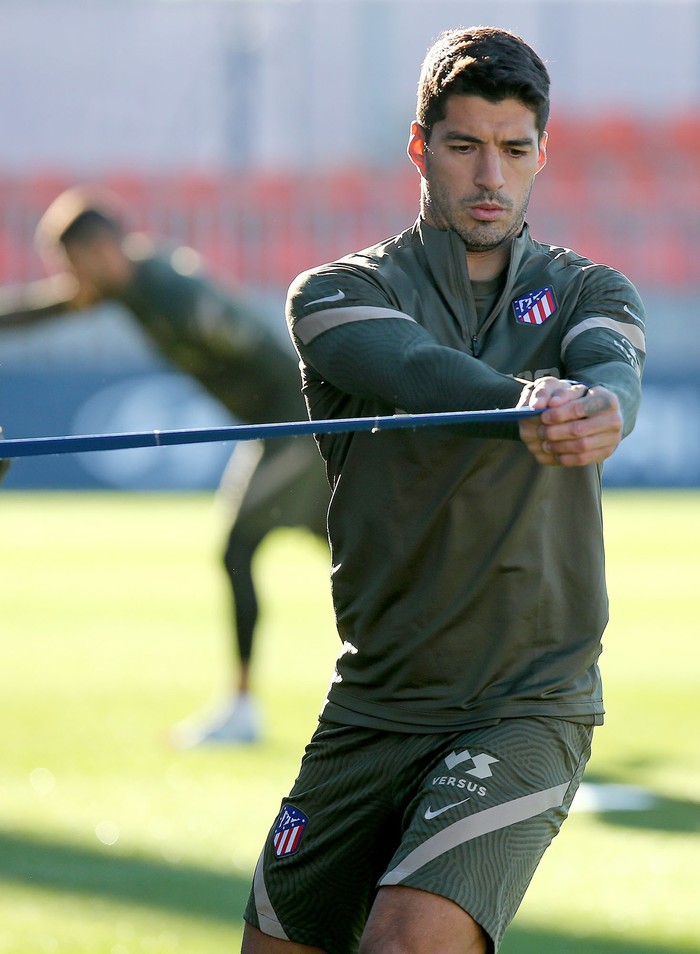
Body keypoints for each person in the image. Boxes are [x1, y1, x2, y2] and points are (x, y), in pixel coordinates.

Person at [242, 26, 646, 954]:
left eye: (513, 150)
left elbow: (611, 370)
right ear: (421, 148)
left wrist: (600, 409)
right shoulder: (337, 293)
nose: (490, 176)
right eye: (464, 147)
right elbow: (415, 368)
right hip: (371, 705)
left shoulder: (591, 291)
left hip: (525, 702)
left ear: (543, 153)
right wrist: (525, 403)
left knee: (406, 943)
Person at [0, 186, 329, 746]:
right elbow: (47, 308)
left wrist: (308, 426)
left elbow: (256, 348)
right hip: (280, 431)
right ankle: (426, 645)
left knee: (239, 547)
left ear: (101, 250)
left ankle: (243, 711)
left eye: (73, 264)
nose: (72, 280)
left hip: (295, 427)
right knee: (345, 546)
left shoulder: (165, 292)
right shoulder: (134, 283)